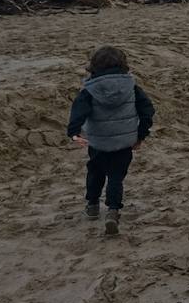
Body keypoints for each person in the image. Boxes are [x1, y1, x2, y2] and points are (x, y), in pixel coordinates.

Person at [66, 46, 156, 235]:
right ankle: (113, 212)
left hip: (98, 143)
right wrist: (141, 135)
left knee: (95, 172)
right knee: (116, 177)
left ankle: (92, 205)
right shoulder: (131, 86)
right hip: (124, 143)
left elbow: (78, 112)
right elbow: (147, 110)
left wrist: (74, 133)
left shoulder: (89, 90)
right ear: (123, 65)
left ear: (94, 66)